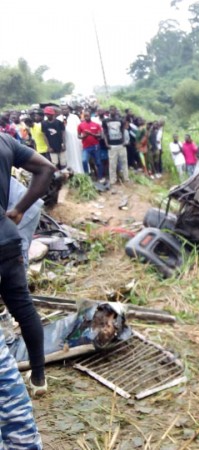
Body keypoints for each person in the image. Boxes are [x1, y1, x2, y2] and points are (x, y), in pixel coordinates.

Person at [0, 133, 55, 406]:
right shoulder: (5, 142)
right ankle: (39, 378)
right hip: (7, 239)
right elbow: (47, 168)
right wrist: (19, 209)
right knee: (23, 307)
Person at [102, 106, 129, 188]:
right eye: (111, 110)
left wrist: (124, 142)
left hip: (121, 144)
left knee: (124, 162)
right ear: (109, 111)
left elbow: (122, 131)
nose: (113, 111)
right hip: (112, 146)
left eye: (114, 110)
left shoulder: (120, 120)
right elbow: (105, 133)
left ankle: (126, 178)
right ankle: (113, 180)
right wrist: (106, 143)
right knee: (112, 164)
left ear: (116, 111)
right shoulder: (105, 121)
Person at [77, 110, 104, 181]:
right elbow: (78, 136)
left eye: (88, 116)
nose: (86, 117)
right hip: (86, 147)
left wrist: (91, 134)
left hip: (95, 146)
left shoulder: (96, 125)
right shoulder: (80, 125)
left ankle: (100, 177)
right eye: (85, 116)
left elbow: (100, 136)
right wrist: (84, 136)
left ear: (90, 116)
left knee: (98, 162)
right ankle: (87, 177)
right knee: (84, 161)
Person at [61, 105, 84, 174]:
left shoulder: (74, 117)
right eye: (63, 109)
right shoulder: (59, 118)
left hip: (76, 140)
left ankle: (80, 171)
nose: (64, 110)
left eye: (66, 109)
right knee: (68, 156)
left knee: (78, 155)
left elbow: (80, 127)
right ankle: (70, 172)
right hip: (66, 141)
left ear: (69, 109)